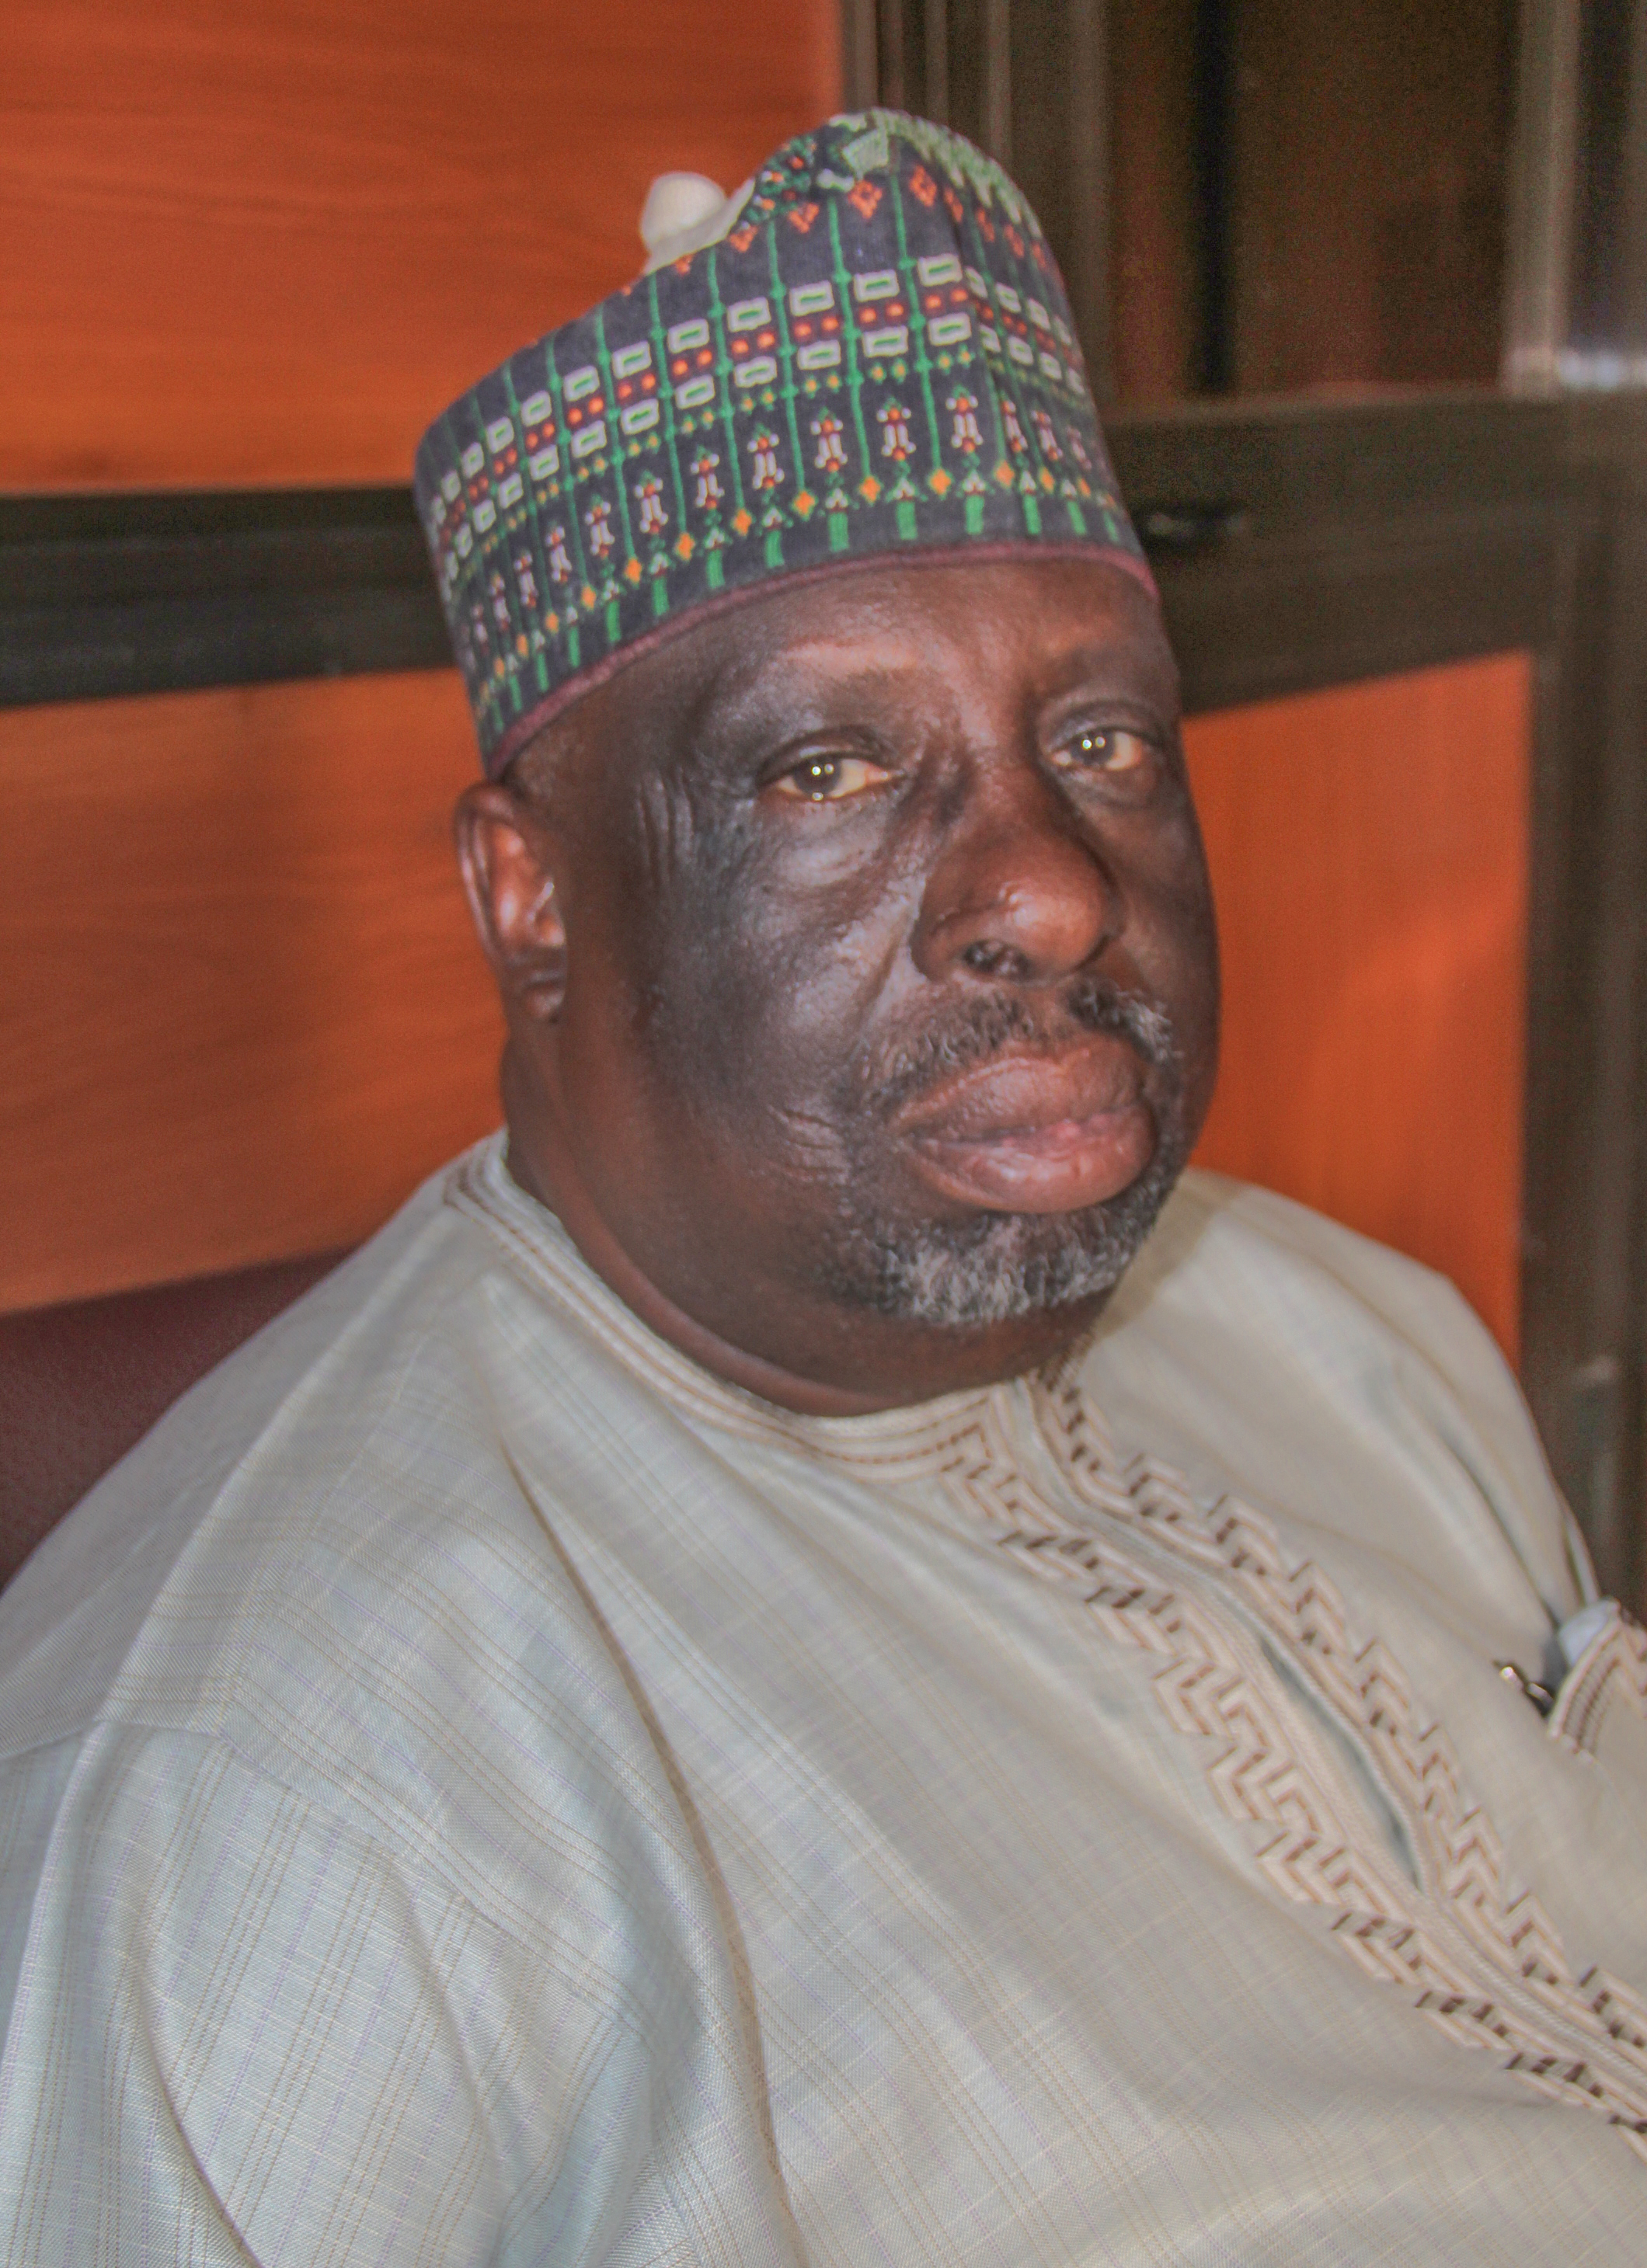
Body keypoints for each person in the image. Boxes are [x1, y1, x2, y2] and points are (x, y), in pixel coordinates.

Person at [2, 110, 1645, 2266]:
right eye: (830, 770)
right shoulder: (263, 1801)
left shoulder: (1361, 1335)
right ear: (532, 900)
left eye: (1104, 742)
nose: (1050, 891)